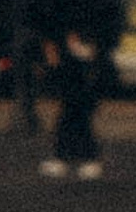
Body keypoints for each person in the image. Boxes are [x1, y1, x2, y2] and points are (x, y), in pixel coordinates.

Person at [40, 31, 108, 179]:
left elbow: (88, 76)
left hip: (82, 97)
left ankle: (88, 159)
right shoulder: (75, 53)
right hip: (75, 96)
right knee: (68, 125)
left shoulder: (83, 52)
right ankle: (65, 158)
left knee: (77, 125)